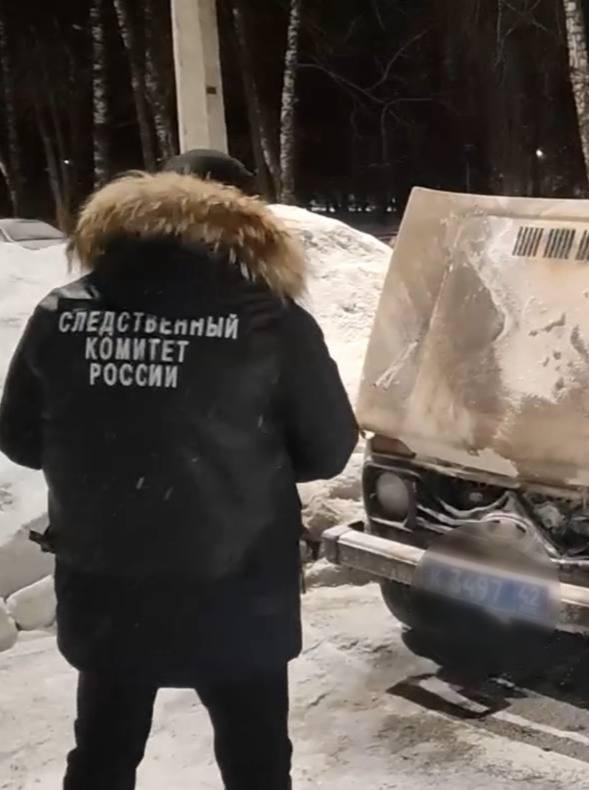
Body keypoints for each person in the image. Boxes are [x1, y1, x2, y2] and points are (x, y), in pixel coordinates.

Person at [0, 151, 358, 789]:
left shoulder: (64, 312)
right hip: (239, 587)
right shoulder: (271, 320)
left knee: (103, 756)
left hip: (108, 583)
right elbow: (328, 450)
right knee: (255, 763)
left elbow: (21, 441)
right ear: (247, 220)